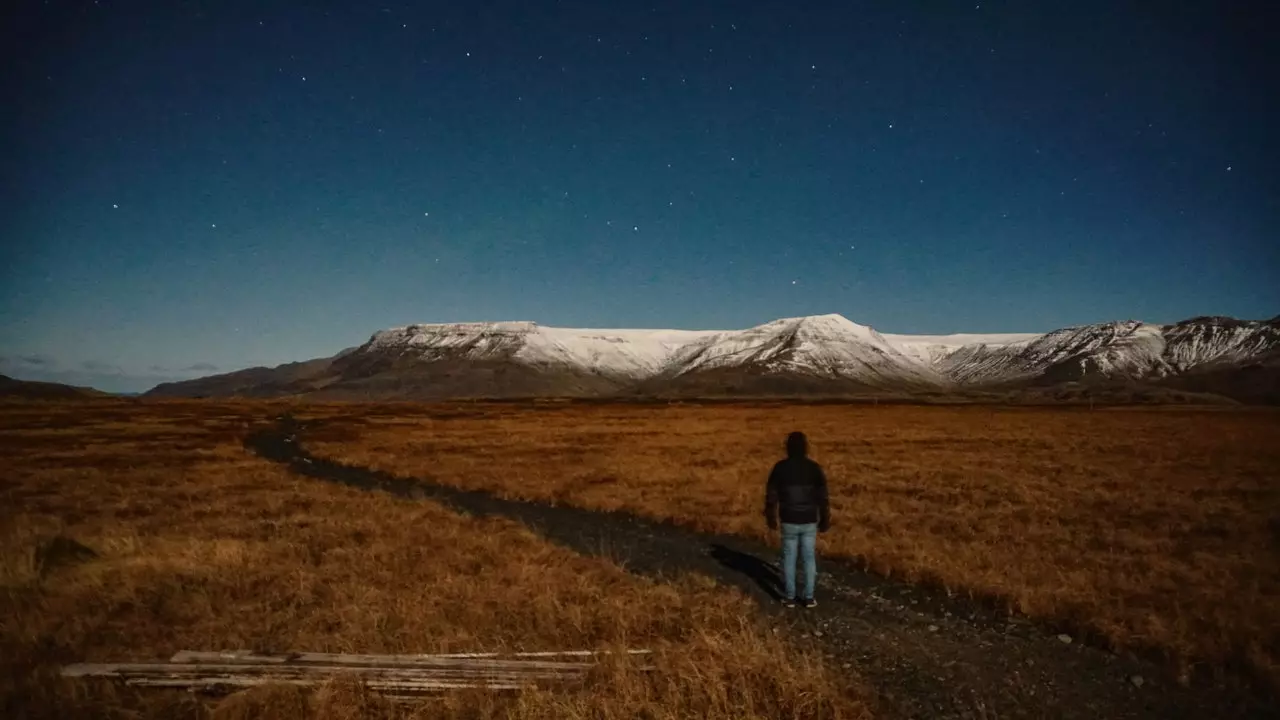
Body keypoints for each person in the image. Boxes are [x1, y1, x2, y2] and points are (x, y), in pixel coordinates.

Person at [763, 431, 830, 608]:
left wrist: (770, 516)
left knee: (789, 558)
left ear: (788, 447)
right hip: (809, 519)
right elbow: (822, 497)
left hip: (788, 519)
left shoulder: (780, 468)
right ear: (805, 447)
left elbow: (771, 495)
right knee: (809, 558)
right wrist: (825, 518)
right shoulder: (814, 468)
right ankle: (809, 597)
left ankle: (790, 596)